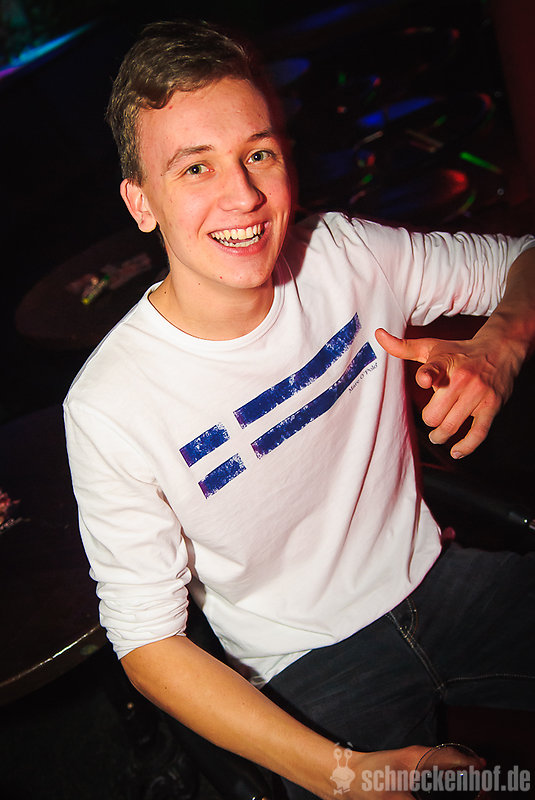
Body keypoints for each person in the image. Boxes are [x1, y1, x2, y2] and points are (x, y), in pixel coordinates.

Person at [64, 19, 535, 800]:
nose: (243, 195)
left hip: (440, 580)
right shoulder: (109, 404)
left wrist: (499, 347)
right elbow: (146, 642)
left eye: (257, 154)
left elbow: (522, 258)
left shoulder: (345, 255)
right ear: (140, 202)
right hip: (304, 665)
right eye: (195, 167)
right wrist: (345, 776)